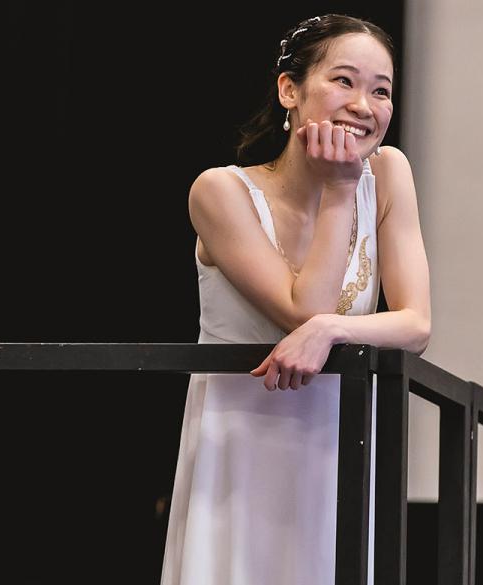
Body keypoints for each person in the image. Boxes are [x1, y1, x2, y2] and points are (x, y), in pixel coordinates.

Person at [160, 14, 431, 585]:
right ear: (290, 89)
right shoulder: (220, 190)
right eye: (344, 81)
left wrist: (333, 331)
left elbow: (415, 324)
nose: (364, 104)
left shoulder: (388, 174)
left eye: (381, 90)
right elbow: (305, 308)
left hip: (340, 440)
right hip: (241, 446)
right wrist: (337, 190)